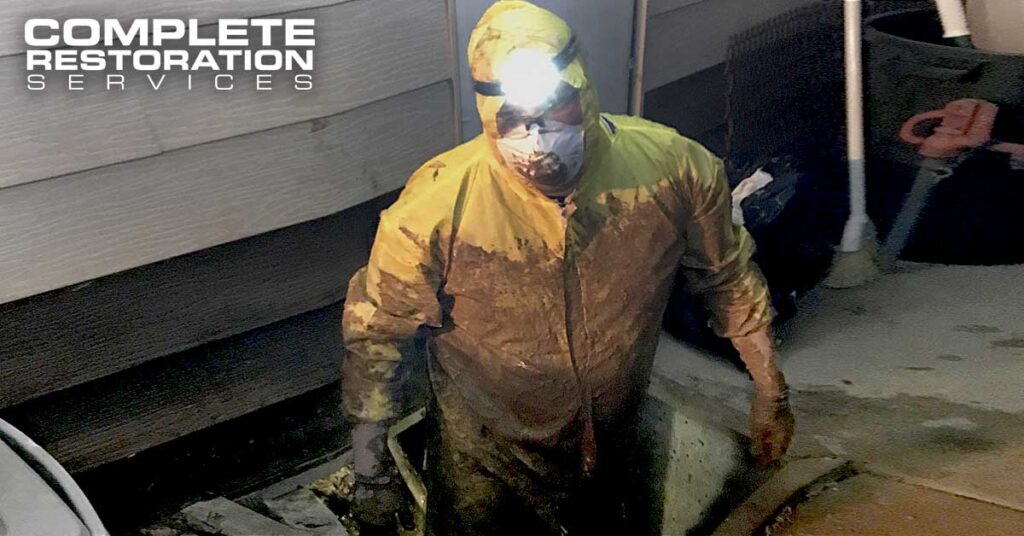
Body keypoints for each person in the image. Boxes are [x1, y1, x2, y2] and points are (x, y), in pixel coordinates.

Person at [341, 2, 794, 534]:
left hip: (613, 433)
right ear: (488, 119)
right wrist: (371, 474)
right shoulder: (436, 209)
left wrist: (771, 396)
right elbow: (376, 335)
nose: (536, 140)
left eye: (554, 108)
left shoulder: (674, 171)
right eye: (512, 119)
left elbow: (729, 279)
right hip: (484, 452)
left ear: (583, 90)